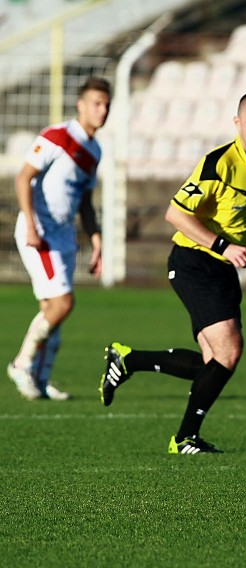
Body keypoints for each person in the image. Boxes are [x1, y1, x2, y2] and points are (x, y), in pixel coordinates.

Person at [99, 91, 246, 455]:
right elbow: (176, 214)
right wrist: (223, 246)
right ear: (237, 123)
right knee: (229, 352)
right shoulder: (219, 163)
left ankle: (130, 361)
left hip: (222, 266)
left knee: (213, 363)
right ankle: (183, 438)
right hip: (194, 262)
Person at [7, 77, 111, 401]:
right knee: (63, 303)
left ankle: (40, 378)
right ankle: (21, 364)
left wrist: (96, 239)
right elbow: (24, 177)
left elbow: (84, 200)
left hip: (64, 234)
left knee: (53, 310)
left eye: (107, 105)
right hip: (41, 231)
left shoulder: (94, 150)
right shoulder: (58, 136)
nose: (102, 110)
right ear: (80, 105)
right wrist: (31, 225)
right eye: (96, 103)